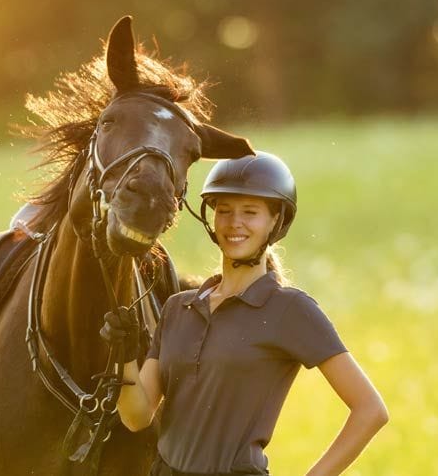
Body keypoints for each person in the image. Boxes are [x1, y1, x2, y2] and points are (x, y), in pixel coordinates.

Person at [101, 151, 389, 476]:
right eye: (224, 211)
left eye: (250, 212)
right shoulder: (178, 308)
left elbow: (370, 410)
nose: (234, 223)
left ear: (275, 221)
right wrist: (123, 357)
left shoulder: (291, 310)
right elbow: (136, 418)